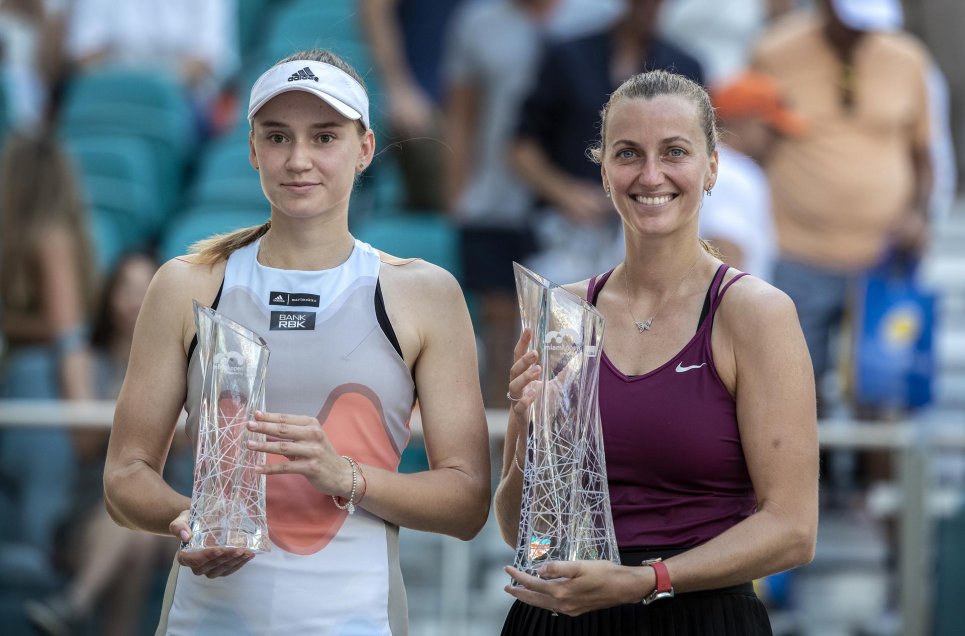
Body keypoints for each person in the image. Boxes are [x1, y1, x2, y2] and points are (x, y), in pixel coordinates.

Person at [102, 49, 491, 635]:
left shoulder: (426, 294)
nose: (298, 159)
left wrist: (345, 476)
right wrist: (190, 519)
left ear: (364, 149)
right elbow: (123, 478)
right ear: (253, 150)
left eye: (324, 137)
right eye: (277, 137)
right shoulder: (185, 284)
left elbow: (466, 502)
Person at [494, 70, 818, 634]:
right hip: (561, 618)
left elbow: (793, 530)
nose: (650, 175)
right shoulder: (563, 312)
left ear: (711, 167)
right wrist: (527, 423)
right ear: (604, 171)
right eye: (628, 153)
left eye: (674, 152)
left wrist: (647, 580)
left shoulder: (754, 313)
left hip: (698, 618)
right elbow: (521, 529)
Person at [750, 0, 935, 417]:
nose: (861, 32)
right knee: (795, 389)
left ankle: (872, 465)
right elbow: (751, 142)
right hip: (796, 251)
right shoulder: (775, 52)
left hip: (884, 258)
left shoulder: (908, 59)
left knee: (882, 393)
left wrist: (919, 215)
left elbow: (924, 155)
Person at [24, 253, 187, 636]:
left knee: (139, 524)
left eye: (144, 289)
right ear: (109, 295)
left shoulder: (181, 361)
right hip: (92, 513)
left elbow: (182, 441)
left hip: (168, 514)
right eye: (125, 288)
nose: (134, 300)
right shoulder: (86, 361)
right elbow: (84, 442)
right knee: (136, 532)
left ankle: (74, 604)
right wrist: (131, 387)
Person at [511, 0, 705, 285]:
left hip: (648, 235)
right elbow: (521, 144)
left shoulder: (684, 64)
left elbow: (697, 150)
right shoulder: (568, 56)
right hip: (563, 233)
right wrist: (564, 193)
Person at [0, 131, 97, 563]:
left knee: (38, 523)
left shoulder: (49, 236)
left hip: (45, 385)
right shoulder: (59, 234)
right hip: (35, 384)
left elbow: (66, 330)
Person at [699, 69, 807, 281]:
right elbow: (726, 256)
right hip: (727, 299)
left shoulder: (712, 163)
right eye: (771, 130)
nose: (777, 142)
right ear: (742, 120)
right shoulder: (735, 174)